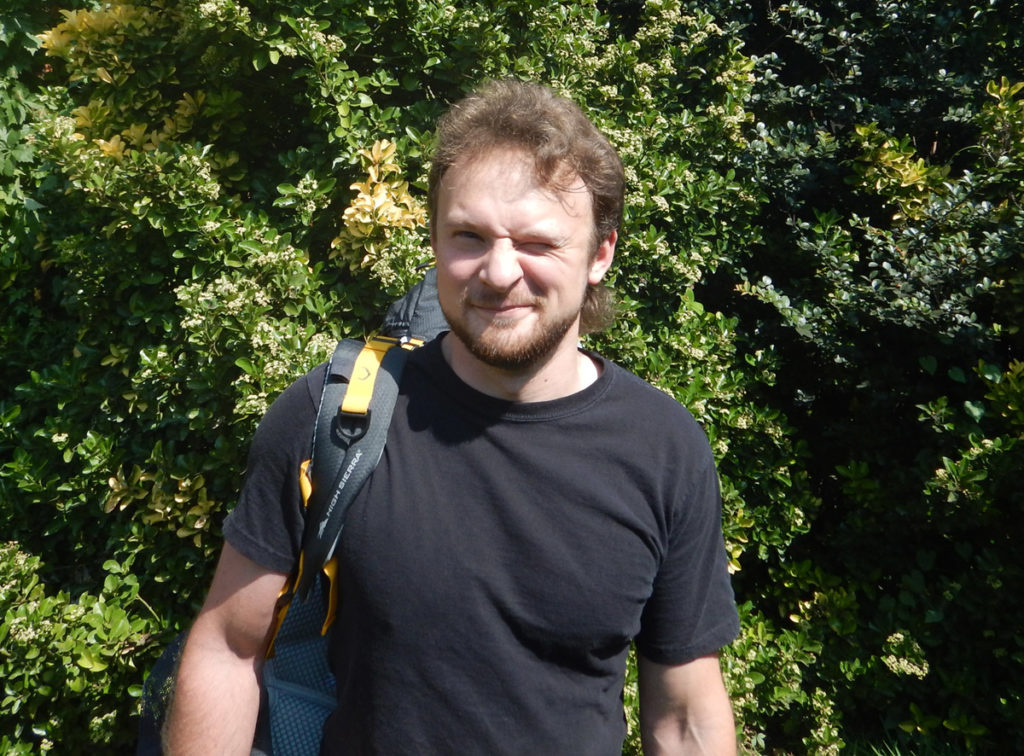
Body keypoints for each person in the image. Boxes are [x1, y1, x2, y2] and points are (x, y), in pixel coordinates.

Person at [165, 79, 739, 755]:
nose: (499, 272)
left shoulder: (664, 449)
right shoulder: (335, 415)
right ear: (435, 240)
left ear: (601, 253)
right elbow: (229, 650)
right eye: (469, 236)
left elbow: (683, 716)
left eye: (537, 242)